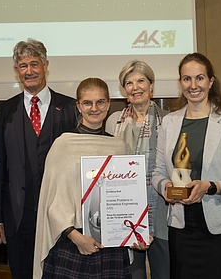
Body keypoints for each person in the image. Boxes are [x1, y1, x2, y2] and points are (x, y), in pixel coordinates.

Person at [152, 53, 221, 278]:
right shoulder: (169, 123)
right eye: (187, 79)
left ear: (211, 81)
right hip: (181, 231)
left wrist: (210, 186)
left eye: (199, 78)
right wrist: (166, 189)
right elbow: (158, 173)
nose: (193, 85)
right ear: (180, 82)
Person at [34, 77, 146, 279]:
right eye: (87, 102)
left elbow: (127, 200)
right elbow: (52, 203)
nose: (94, 108)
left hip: (111, 245)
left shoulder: (119, 147)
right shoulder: (63, 145)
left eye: (100, 102)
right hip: (73, 243)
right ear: (78, 105)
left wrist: (134, 231)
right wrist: (76, 237)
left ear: (108, 104)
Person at [0, 39, 77, 279]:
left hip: (61, 217)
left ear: (46, 65)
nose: (29, 71)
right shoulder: (5, 111)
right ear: (17, 70)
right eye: (22, 65)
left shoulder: (69, 107)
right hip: (18, 218)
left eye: (34, 64)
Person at [106, 61, 169, 279]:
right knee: (133, 275)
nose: (135, 87)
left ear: (151, 85)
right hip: (124, 213)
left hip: (161, 211)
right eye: (129, 83)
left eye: (141, 80)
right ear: (124, 90)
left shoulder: (169, 120)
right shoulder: (113, 122)